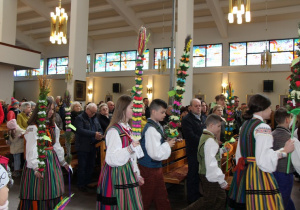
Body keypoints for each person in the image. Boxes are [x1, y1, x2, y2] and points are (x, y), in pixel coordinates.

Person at [228, 94, 294, 210]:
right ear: (261, 109)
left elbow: (239, 154)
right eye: (269, 108)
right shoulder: (263, 127)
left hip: (244, 172)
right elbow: (264, 160)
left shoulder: (245, 125)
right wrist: (284, 151)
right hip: (257, 174)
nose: (271, 110)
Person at [18, 97, 69, 209]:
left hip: (52, 162)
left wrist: (62, 161)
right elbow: (32, 148)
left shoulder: (52, 125)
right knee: (39, 190)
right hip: (39, 161)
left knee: (52, 188)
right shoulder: (34, 127)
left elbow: (56, 145)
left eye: (53, 109)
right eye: (48, 109)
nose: (51, 112)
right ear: (41, 110)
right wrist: (36, 166)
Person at [97, 95, 144, 209]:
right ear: (123, 109)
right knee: (119, 204)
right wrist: (130, 148)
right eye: (132, 108)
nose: (136, 111)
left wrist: (137, 174)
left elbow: (133, 157)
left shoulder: (128, 128)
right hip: (116, 173)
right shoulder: (114, 131)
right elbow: (111, 159)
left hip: (127, 171)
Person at [139, 99, 176, 210]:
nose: (165, 114)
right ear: (154, 111)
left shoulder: (156, 125)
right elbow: (155, 154)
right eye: (163, 112)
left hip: (155, 167)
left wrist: (166, 142)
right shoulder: (151, 129)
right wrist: (167, 145)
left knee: (161, 196)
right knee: (146, 198)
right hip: (149, 168)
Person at [182, 98, 206, 204]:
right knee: (193, 174)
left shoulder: (204, 117)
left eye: (200, 105)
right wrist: (204, 142)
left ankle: (199, 194)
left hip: (203, 151)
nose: (198, 108)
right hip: (193, 151)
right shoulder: (187, 119)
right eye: (196, 106)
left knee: (200, 174)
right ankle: (192, 198)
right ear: (190, 108)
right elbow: (190, 136)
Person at [75, 103, 103, 192]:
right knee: (83, 166)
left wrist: (100, 134)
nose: (93, 114)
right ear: (87, 110)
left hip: (93, 145)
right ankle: (81, 184)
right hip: (83, 146)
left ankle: (87, 182)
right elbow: (80, 130)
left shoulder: (95, 118)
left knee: (91, 165)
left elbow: (99, 128)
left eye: (95, 112)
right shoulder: (80, 118)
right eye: (92, 112)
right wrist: (94, 134)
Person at [272, 108, 296, 210]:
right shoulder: (289, 138)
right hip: (285, 173)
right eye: (291, 118)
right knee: (283, 200)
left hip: (272, 172)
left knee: (280, 199)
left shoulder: (271, 134)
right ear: (287, 120)